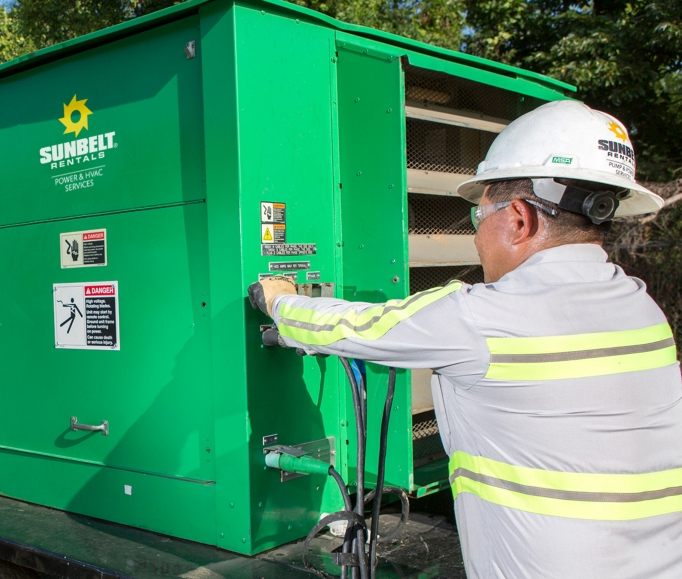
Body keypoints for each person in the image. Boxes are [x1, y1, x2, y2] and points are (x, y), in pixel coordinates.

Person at [248, 100, 682, 578]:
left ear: (519, 218)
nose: (476, 237)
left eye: (479, 217)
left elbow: (359, 327)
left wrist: (280, 301)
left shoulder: (482, 316)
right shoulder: (644, 310)